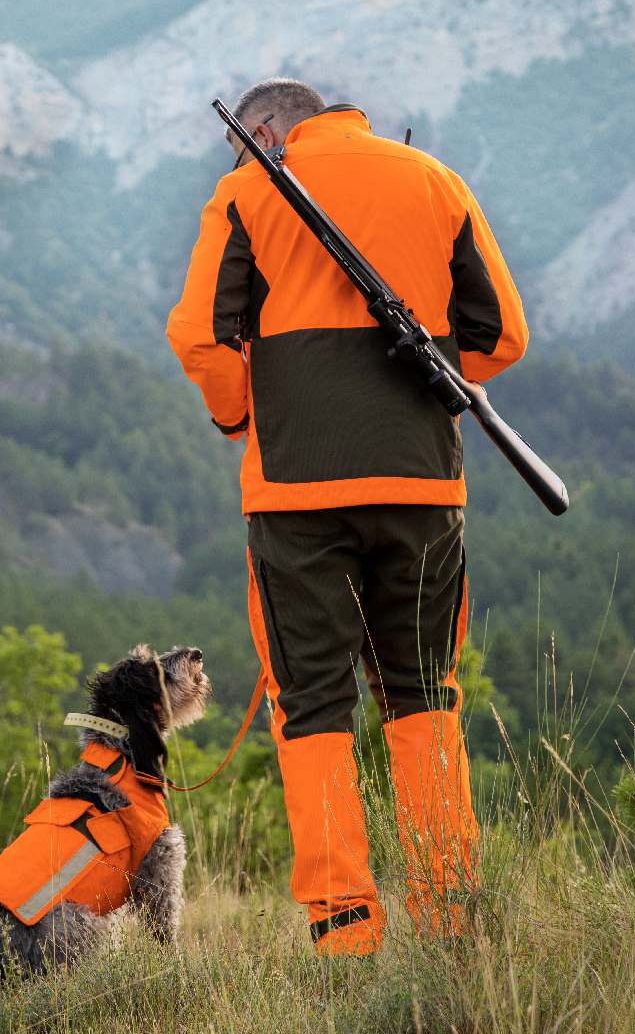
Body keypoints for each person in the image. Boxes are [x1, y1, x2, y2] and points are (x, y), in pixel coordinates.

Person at [166, 78, 528, 956]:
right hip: (423, 490)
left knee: (316, 706)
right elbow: (501, 335)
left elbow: (202, 337)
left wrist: (243, 414)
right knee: (424, 700)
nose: (241, 157)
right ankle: (448, 918)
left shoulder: (248, 191)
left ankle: (344, 932)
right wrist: (420, 380)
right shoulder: (435, 180)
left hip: (297, 499)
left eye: (241, 144)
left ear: (264, 130)